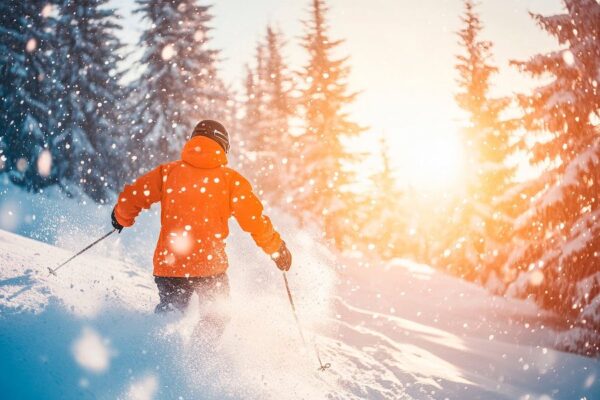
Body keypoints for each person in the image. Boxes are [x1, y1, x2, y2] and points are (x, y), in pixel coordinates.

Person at [111, 120, 292, 314]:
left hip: (171, 264)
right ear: (223, 146)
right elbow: (255, 221)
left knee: (170, 316)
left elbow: (134, 196)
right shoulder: (231, 181)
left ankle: (152, 341)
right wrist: (276, 249)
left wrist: (121, 218)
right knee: (216, 319)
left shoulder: (169, 172)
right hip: (209, 266)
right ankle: (199, 345)